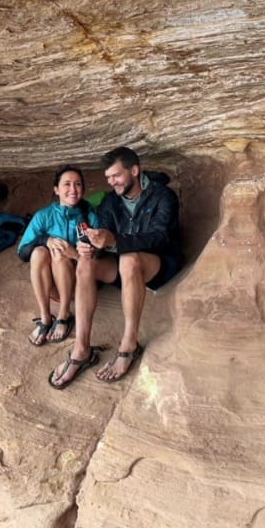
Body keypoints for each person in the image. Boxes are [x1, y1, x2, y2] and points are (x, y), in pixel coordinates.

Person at [50, 147, 180, 388]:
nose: (112, 182)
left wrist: (115, 241)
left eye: (116, 176)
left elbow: (160, 237)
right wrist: (92, 245)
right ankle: (81, 349)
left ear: (134, 170)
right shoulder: (111, 201)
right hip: (120, 266)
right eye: (108, 177)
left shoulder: (163, 196)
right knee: (87, 262)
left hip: (157, 265)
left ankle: (129, 344)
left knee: (130, 258)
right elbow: (105, 232)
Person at [17, 166, 91, 346]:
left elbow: (99, 256)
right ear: (56, 189)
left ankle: (64, 314)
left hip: (78, 283)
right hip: (51, 286)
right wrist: (45, 239)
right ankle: (45, 317)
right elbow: (22, 253)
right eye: (66, 184)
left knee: (59, 255)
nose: (73, 190)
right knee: (38, 251)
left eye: (78, 184)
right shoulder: (44, 216)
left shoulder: (88, 215)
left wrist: (74, 254)